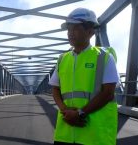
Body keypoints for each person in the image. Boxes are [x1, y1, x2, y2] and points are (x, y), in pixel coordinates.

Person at [49, 8, 119, 145]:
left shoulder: (104, 57)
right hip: (66, 133)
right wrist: (65, 110)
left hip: (94, 135)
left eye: (75, 28)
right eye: (68, 29)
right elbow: (55, 89)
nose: (70, 33)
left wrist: (80, 113)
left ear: (90, 31)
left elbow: (108, 93)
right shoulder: (62, 59)